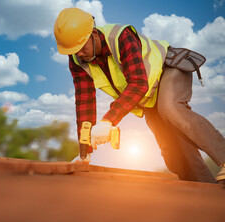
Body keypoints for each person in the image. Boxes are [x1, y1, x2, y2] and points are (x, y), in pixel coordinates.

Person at [54, 8, 225, 184]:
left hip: (168, 68)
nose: (79, 54)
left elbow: (138, 83)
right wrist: (85, 150)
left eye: (81, 47)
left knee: (171, 109)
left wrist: (108, 121)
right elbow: (84, 103)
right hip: (149, 98)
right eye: (73, 51)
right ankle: (205, 188)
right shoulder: (77, 60)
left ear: (94, 33)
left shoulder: (120, 37)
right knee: (171, 150)